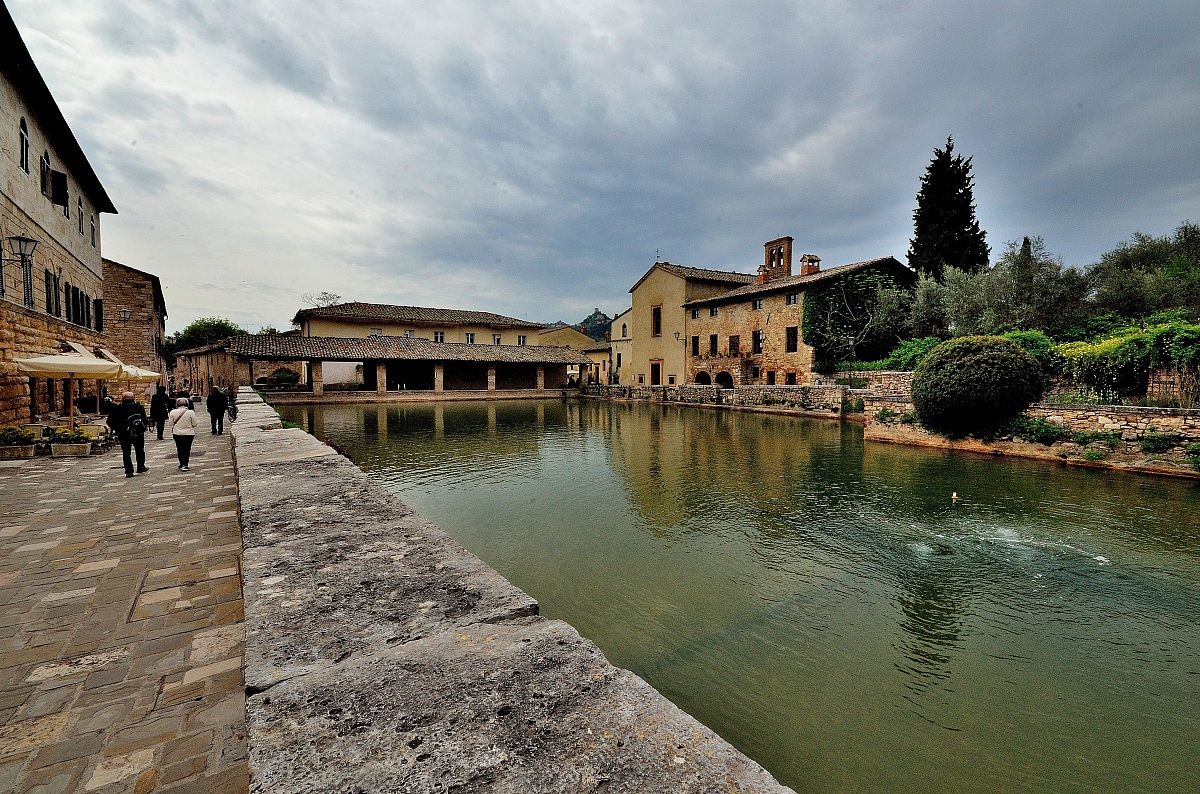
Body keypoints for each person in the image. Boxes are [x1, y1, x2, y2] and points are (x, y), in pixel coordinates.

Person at [106, 391, 148, 478]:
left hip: (123, 433)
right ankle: (141, 467)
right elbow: (144, 419)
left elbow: (109, 421)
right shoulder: (139, 407)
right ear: (133, 398)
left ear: (122, 398)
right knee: (140, 449)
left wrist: (117, 428)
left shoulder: (117, 408)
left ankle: (129, 471)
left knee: (126, 452)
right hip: (138, 432)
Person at [167, 397, 198, 471]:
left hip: (177, 433)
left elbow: (170, 424)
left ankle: (181, 463)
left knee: (179, 448)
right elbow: (195, 424)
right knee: (187, 449)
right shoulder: (191, 412)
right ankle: (185, 464)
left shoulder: (172, 412)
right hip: (189, 434)